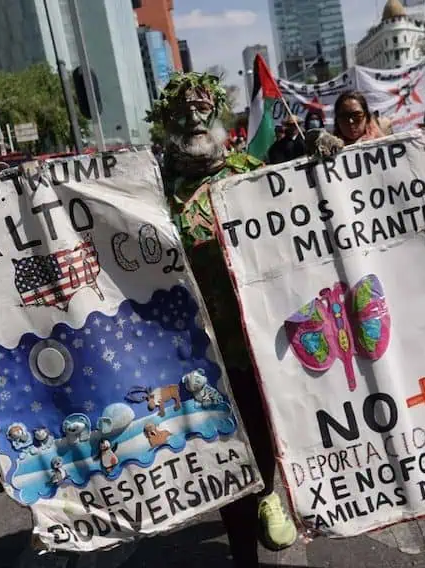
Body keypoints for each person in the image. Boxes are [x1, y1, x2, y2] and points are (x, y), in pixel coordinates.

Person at [147, 72, 297, 566]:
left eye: (202, 109)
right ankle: (242, 551)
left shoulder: (246, 172)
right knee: (224, 448)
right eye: (181, 113)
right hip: (192, 349)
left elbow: (299, 204)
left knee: (262, 432)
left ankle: (266, 494)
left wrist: (321, 150)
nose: (193, 119)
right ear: (166, 124)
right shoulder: (151, 193)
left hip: (255, 338)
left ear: (218, 117)